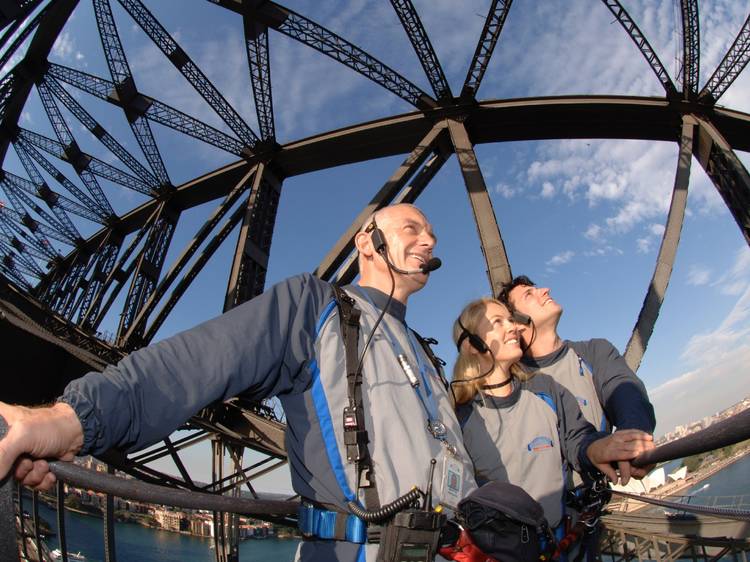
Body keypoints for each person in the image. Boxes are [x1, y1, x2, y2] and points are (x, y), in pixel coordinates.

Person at [0, 203, 477, 562]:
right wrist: (70, 420)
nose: (429, 241)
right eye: (412, 228)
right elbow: (197, 362)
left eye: (432, 233)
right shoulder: (314, 305)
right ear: (367, 241)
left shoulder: (426, 353)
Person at [451, 297, 654, 556]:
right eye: (497, 322)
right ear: (472, 345)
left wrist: (596, 449)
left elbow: (577, 438)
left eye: (511, 320)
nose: (512, 327)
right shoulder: (459, 416)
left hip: (564, 543)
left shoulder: (545, 388)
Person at [498, 276, 656, 484]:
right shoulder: (514, 385)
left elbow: (625, 390)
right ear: (516, 324)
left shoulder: (595, 352)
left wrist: (632, 439)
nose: (545, 290)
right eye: (529, 294)